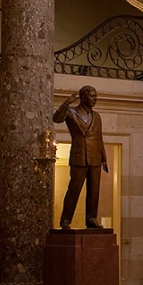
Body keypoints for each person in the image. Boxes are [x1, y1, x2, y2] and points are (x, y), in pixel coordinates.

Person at [53, 85, 108, 230]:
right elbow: (56, 118)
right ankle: (65, 220)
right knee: (74, 190)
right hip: (80, 156)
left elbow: (99, 138)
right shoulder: (72, 112)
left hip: (95, 157)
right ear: (83, 98)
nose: (95, 99)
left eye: (96, 96)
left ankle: (91, 218)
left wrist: (104, 158)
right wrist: (67, 103)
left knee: (94, 191)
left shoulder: (97, 116)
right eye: (92, 96)